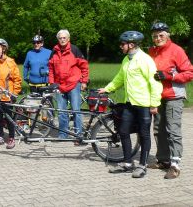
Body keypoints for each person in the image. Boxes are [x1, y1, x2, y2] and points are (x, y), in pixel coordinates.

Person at [98, 31, 162, 178]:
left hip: (144, 105)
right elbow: (119, 78)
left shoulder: (145, 60)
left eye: (123, 44)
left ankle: (142, 165)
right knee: (123, 131)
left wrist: (154, 104)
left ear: (131, 44)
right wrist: (107, 88)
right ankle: (127, 163)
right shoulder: (126, 60)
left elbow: (155, 83)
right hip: (129, 103)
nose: (121, 46)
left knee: (144, 135)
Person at [147, 22, 193, 179]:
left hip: (174, 96)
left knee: (172, 130)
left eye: (161, 35)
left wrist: (171, 76)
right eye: (155, 36)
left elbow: (189, 73)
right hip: (158, 96)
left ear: (168, 35)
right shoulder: (151, 51)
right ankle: (163, 160)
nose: (158, 38)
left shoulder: (177, 50)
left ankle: (175, 165)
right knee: (158, 129)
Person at [48, 29, 89, 139]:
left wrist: (84, 81)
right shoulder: (54, 51)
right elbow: (51, 69)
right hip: (59, 86)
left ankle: (78, 135)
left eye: (64, 38)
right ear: (58, 39)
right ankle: (63, 134)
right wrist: (52, 83)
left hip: (74, 84)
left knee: (76, 110)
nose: (62, 40)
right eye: (60, 38)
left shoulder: (74, 50)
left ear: (68, 39)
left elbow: (84, 66)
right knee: (61, 111)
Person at [0, 38, 22, 149]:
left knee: (8, 118)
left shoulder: (10, 62)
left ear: (4, 49)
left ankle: (11, 138)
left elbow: (17, 79)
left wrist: (14, 93)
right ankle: (0, 136)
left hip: (7, 96)